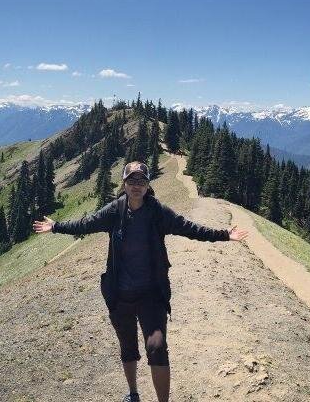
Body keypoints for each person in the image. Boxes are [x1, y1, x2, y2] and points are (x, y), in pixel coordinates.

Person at [33, 160, 248, 402]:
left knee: (157, 347)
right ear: (124, 184)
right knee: (128, 348)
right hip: (120, 295)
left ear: (148, 185)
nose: (136, 186)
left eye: (141, 181)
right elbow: (86, 224)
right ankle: (133, 393)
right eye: (132, 180)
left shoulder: (158, 212)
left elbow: (189, 228)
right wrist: (56, 227)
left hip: (151, 296)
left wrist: (224, 235)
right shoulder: (115, 211)